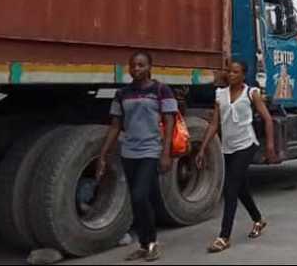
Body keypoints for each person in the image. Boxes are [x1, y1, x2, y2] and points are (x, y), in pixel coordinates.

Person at [96, 51, 177, 262]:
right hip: (129, 152)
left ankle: (151, 243)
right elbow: (115, 126)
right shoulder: (122, 94)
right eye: (133, 66)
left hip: (151, 150)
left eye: (141, 65)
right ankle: (144, 244)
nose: (136, 69)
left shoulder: (161, 90)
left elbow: (170, 122)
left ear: (150, 67)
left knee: (140, 196)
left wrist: (166, 153)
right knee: (137, 200)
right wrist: (103, 155)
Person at [197, 61, 278, 253]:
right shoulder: (220, 95)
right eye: (229, 71)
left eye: (235, 72)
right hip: (228, 147)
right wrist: (202, 148)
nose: (231, 75)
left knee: (230, 188)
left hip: (246, 145)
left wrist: (270, 145)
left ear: (243, 75)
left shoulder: (252, 93)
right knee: (241, 188)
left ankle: (224, 237)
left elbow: (267, 119)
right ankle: (258, 219)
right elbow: (214, 124)